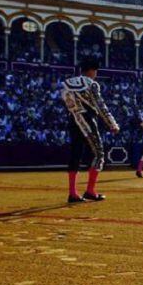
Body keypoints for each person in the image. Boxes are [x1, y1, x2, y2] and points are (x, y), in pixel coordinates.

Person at [61, 58, 119, 203]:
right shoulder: (92, 84)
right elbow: (100, 106)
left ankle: (73, 193)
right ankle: (90, 191)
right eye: (96, 71)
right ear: (92, 70)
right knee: (99, 154)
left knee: (75, 154)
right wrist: (112, 124)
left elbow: (68, 104)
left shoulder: (66, 84)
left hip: (73, 120)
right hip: (88, 120)